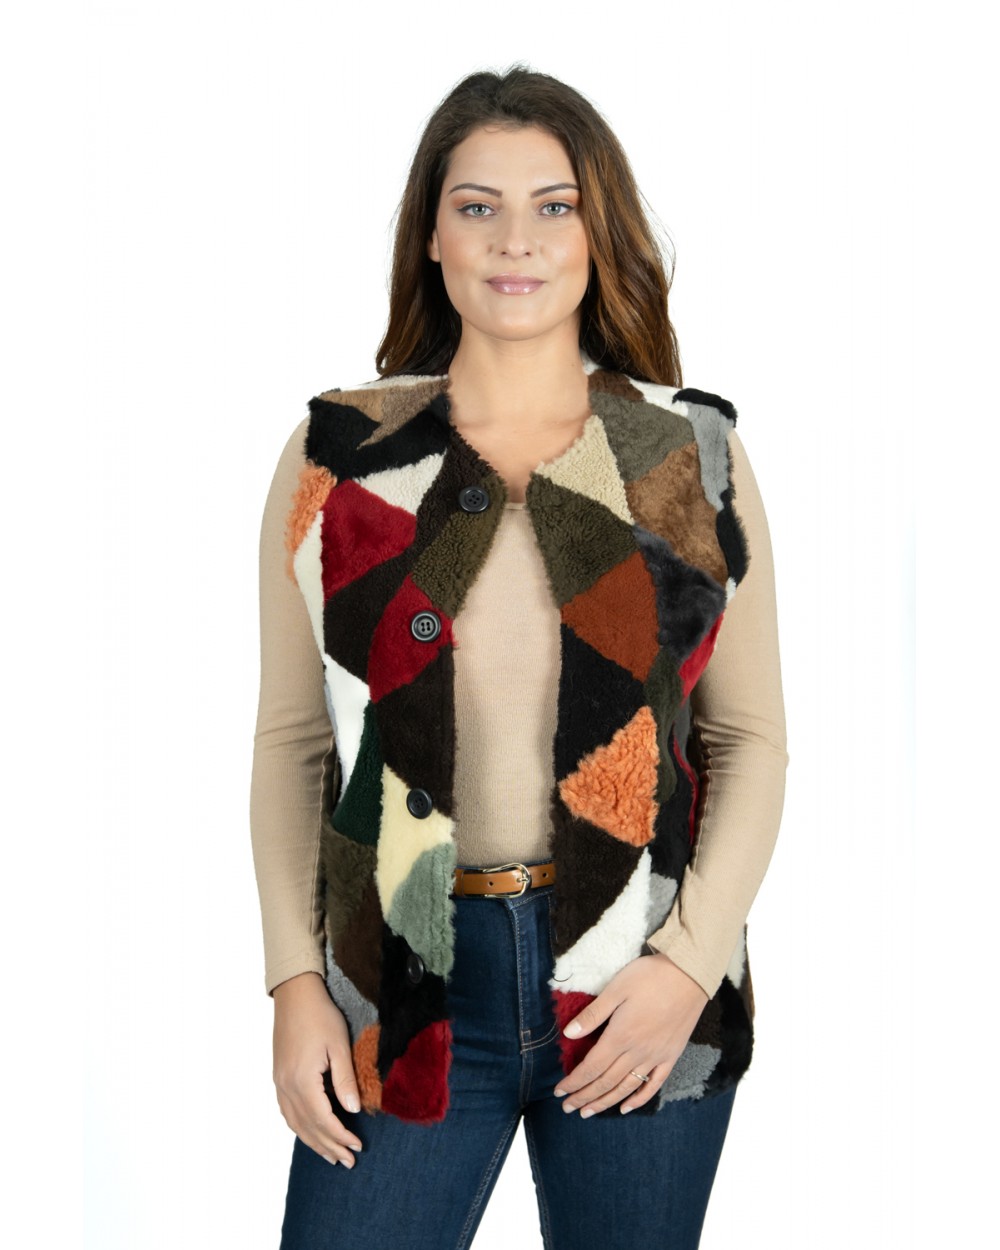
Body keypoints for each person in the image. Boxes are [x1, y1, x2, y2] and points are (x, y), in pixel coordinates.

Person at [250, 66, 788, 1250]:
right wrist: (294, 981)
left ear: (599, 232)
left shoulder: (685, 450)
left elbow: (748, 738)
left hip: (637, 984)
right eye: (476, 206)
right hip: (398, 986)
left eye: (554, 206)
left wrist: (688, 964)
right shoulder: (341, 451)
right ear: (431, 236)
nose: (516, 240)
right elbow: (293, 742)